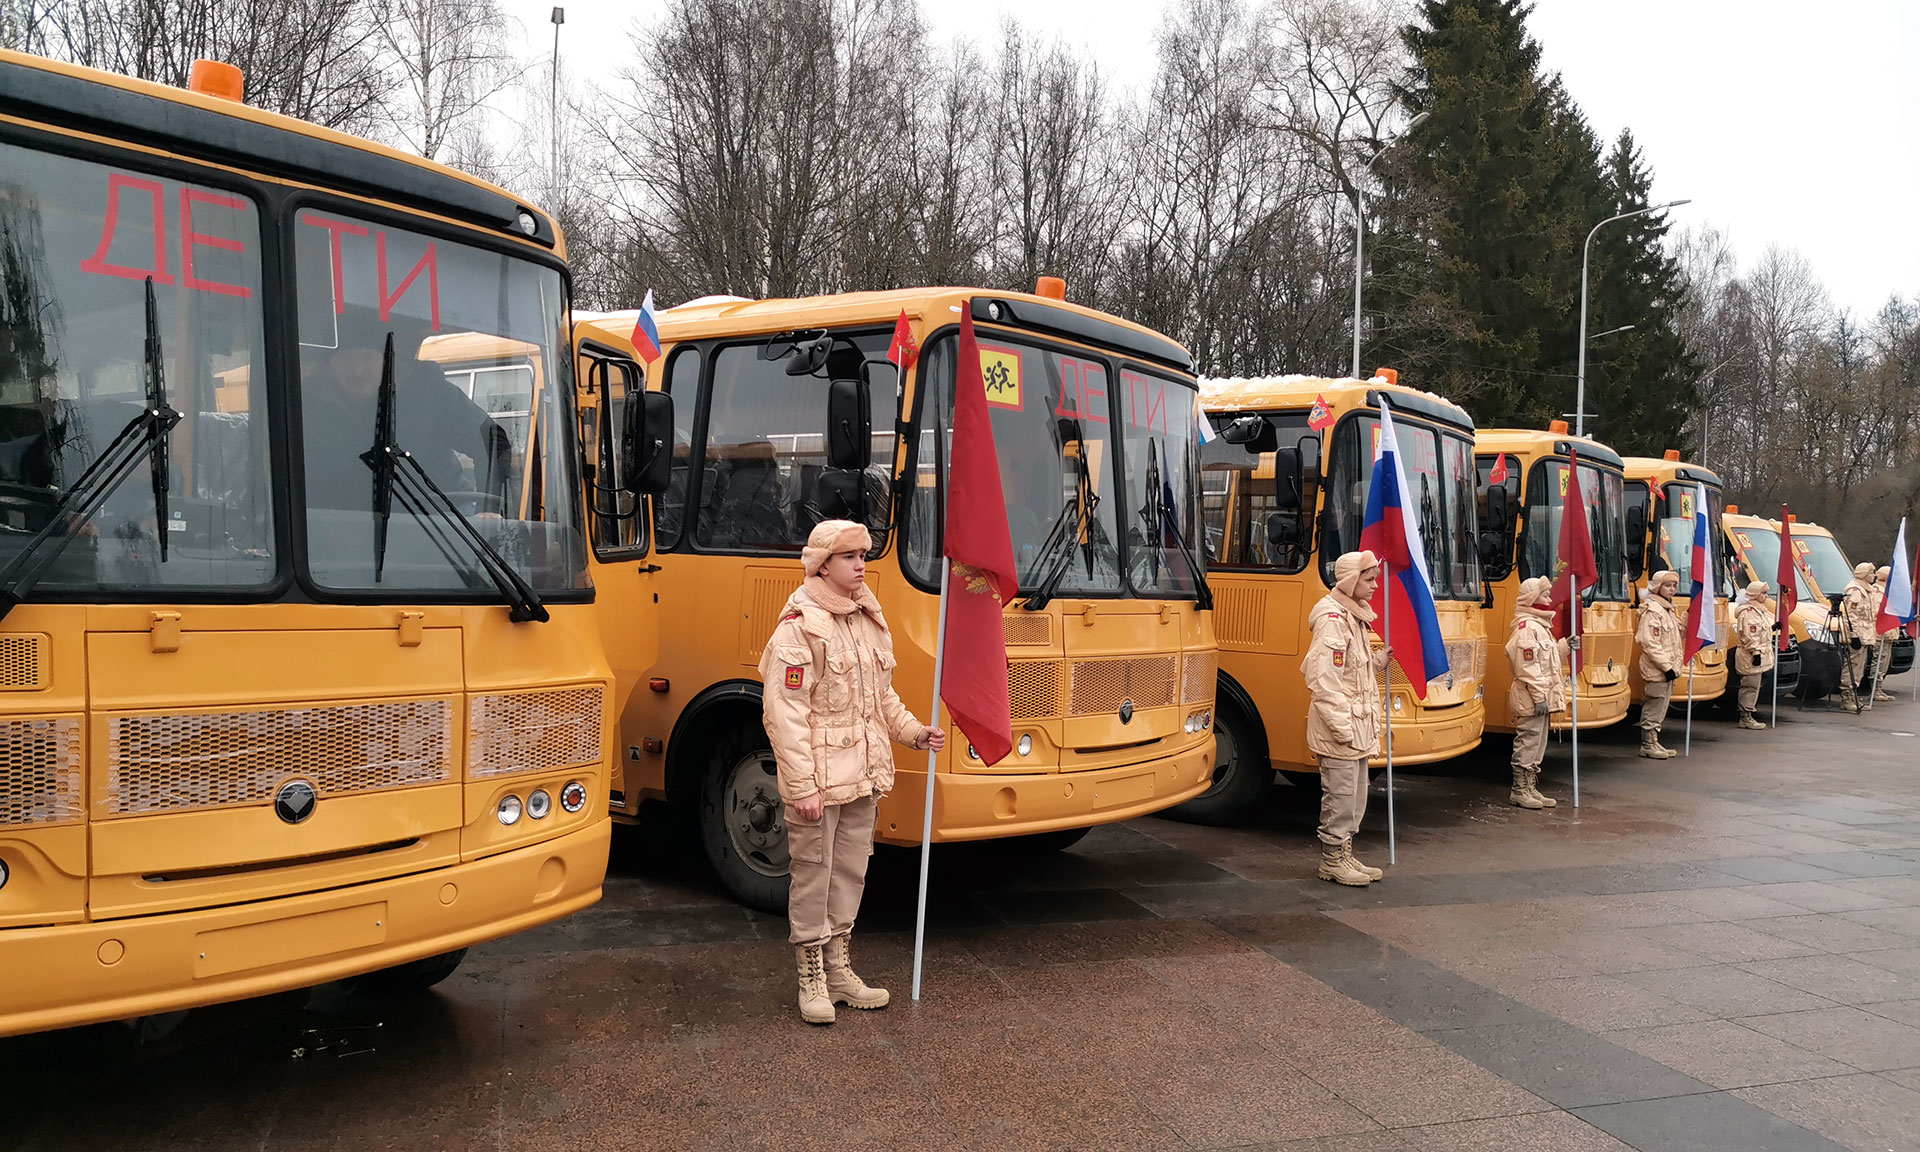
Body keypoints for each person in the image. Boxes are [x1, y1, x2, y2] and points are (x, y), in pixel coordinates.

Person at [759, 519, 946, 1025]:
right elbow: (784, 714)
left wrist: (914, 732)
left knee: (848, 875)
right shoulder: (799, 626)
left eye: (864, 555)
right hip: (819, 784)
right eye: (850, 557)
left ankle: (839, 971)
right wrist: (802, 787)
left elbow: (880, 697)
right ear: (823, 565)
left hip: (862, 776)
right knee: (813, 877)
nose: (862, 564)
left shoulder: (866, 618)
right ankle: (811, 978)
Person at [1302, 549, 1391, 886]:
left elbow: (1354, 671)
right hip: (1341, 731)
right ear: (1352, 581)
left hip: (1356, 729)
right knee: (1339, 799)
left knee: (1355, 799)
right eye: (1369, 579)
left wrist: (1379, 660)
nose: (1375, 586)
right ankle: (1332, 861)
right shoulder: (1333, 620)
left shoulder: (1354, 617)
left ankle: (1344, 853)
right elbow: (1324, 681)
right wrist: (1343, 729)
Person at [1505, 576, 1566, 808]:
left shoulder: (1540, 626)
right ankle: (1519, 790)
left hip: (1540, 698)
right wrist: (1540, 697)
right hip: (1531, 698)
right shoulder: (1527, 628)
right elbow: (1527, 669)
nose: (1549, 600)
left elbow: (1546, 663)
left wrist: (1563, 648)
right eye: (1545, 595)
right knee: (1528, 741)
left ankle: (1530, 787)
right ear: (1532, 598)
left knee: (1538, 743)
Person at [1636, 568, 1683, 759]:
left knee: (1662, 704)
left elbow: (1676, 635)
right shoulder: (1653, 610)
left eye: (1674, 586)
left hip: (1668, 668)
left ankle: (1654, 740)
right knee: (1654, 703)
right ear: (1657, 587)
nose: (1672, 589)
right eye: (1667, 586)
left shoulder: (1668, 609)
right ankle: (1647, 743)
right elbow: (1649, 642)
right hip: (1657, 669)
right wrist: (1666, 666)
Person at [1731, 579, 1777, 730]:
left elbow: (1760, 632)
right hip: (1749, 655)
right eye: (1764, 593)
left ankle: (1748, 714)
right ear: (1756, 594)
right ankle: (1745, 717)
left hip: (1756, 654)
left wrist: (1773, 628)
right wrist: (1755, 653)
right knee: (1749, 686)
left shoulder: (1759, 611)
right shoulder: (1748, 613)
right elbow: (1750, 635)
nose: (1766, 596)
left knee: (1754, 686)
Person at [1841, 560, 1878, 712]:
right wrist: (1853, 635)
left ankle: (1854, 694)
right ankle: (1846, 697)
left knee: (1860, 667)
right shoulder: (1855, 590)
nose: (1874, 576)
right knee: (1853, 665)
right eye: (1871, 573)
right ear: (1863, 574)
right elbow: (1851, 615)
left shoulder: (1867, 590)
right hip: (1857, 633)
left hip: (1866, 633)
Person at [1873, 565, 1897, 702]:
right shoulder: (1878, 592)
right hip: (1881, 633)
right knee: (1879, 661)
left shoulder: (1887, 591)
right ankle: (1875, 689)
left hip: (1888, 632)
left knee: (1884, 662)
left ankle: (1879, 687)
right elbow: (1879, 612)